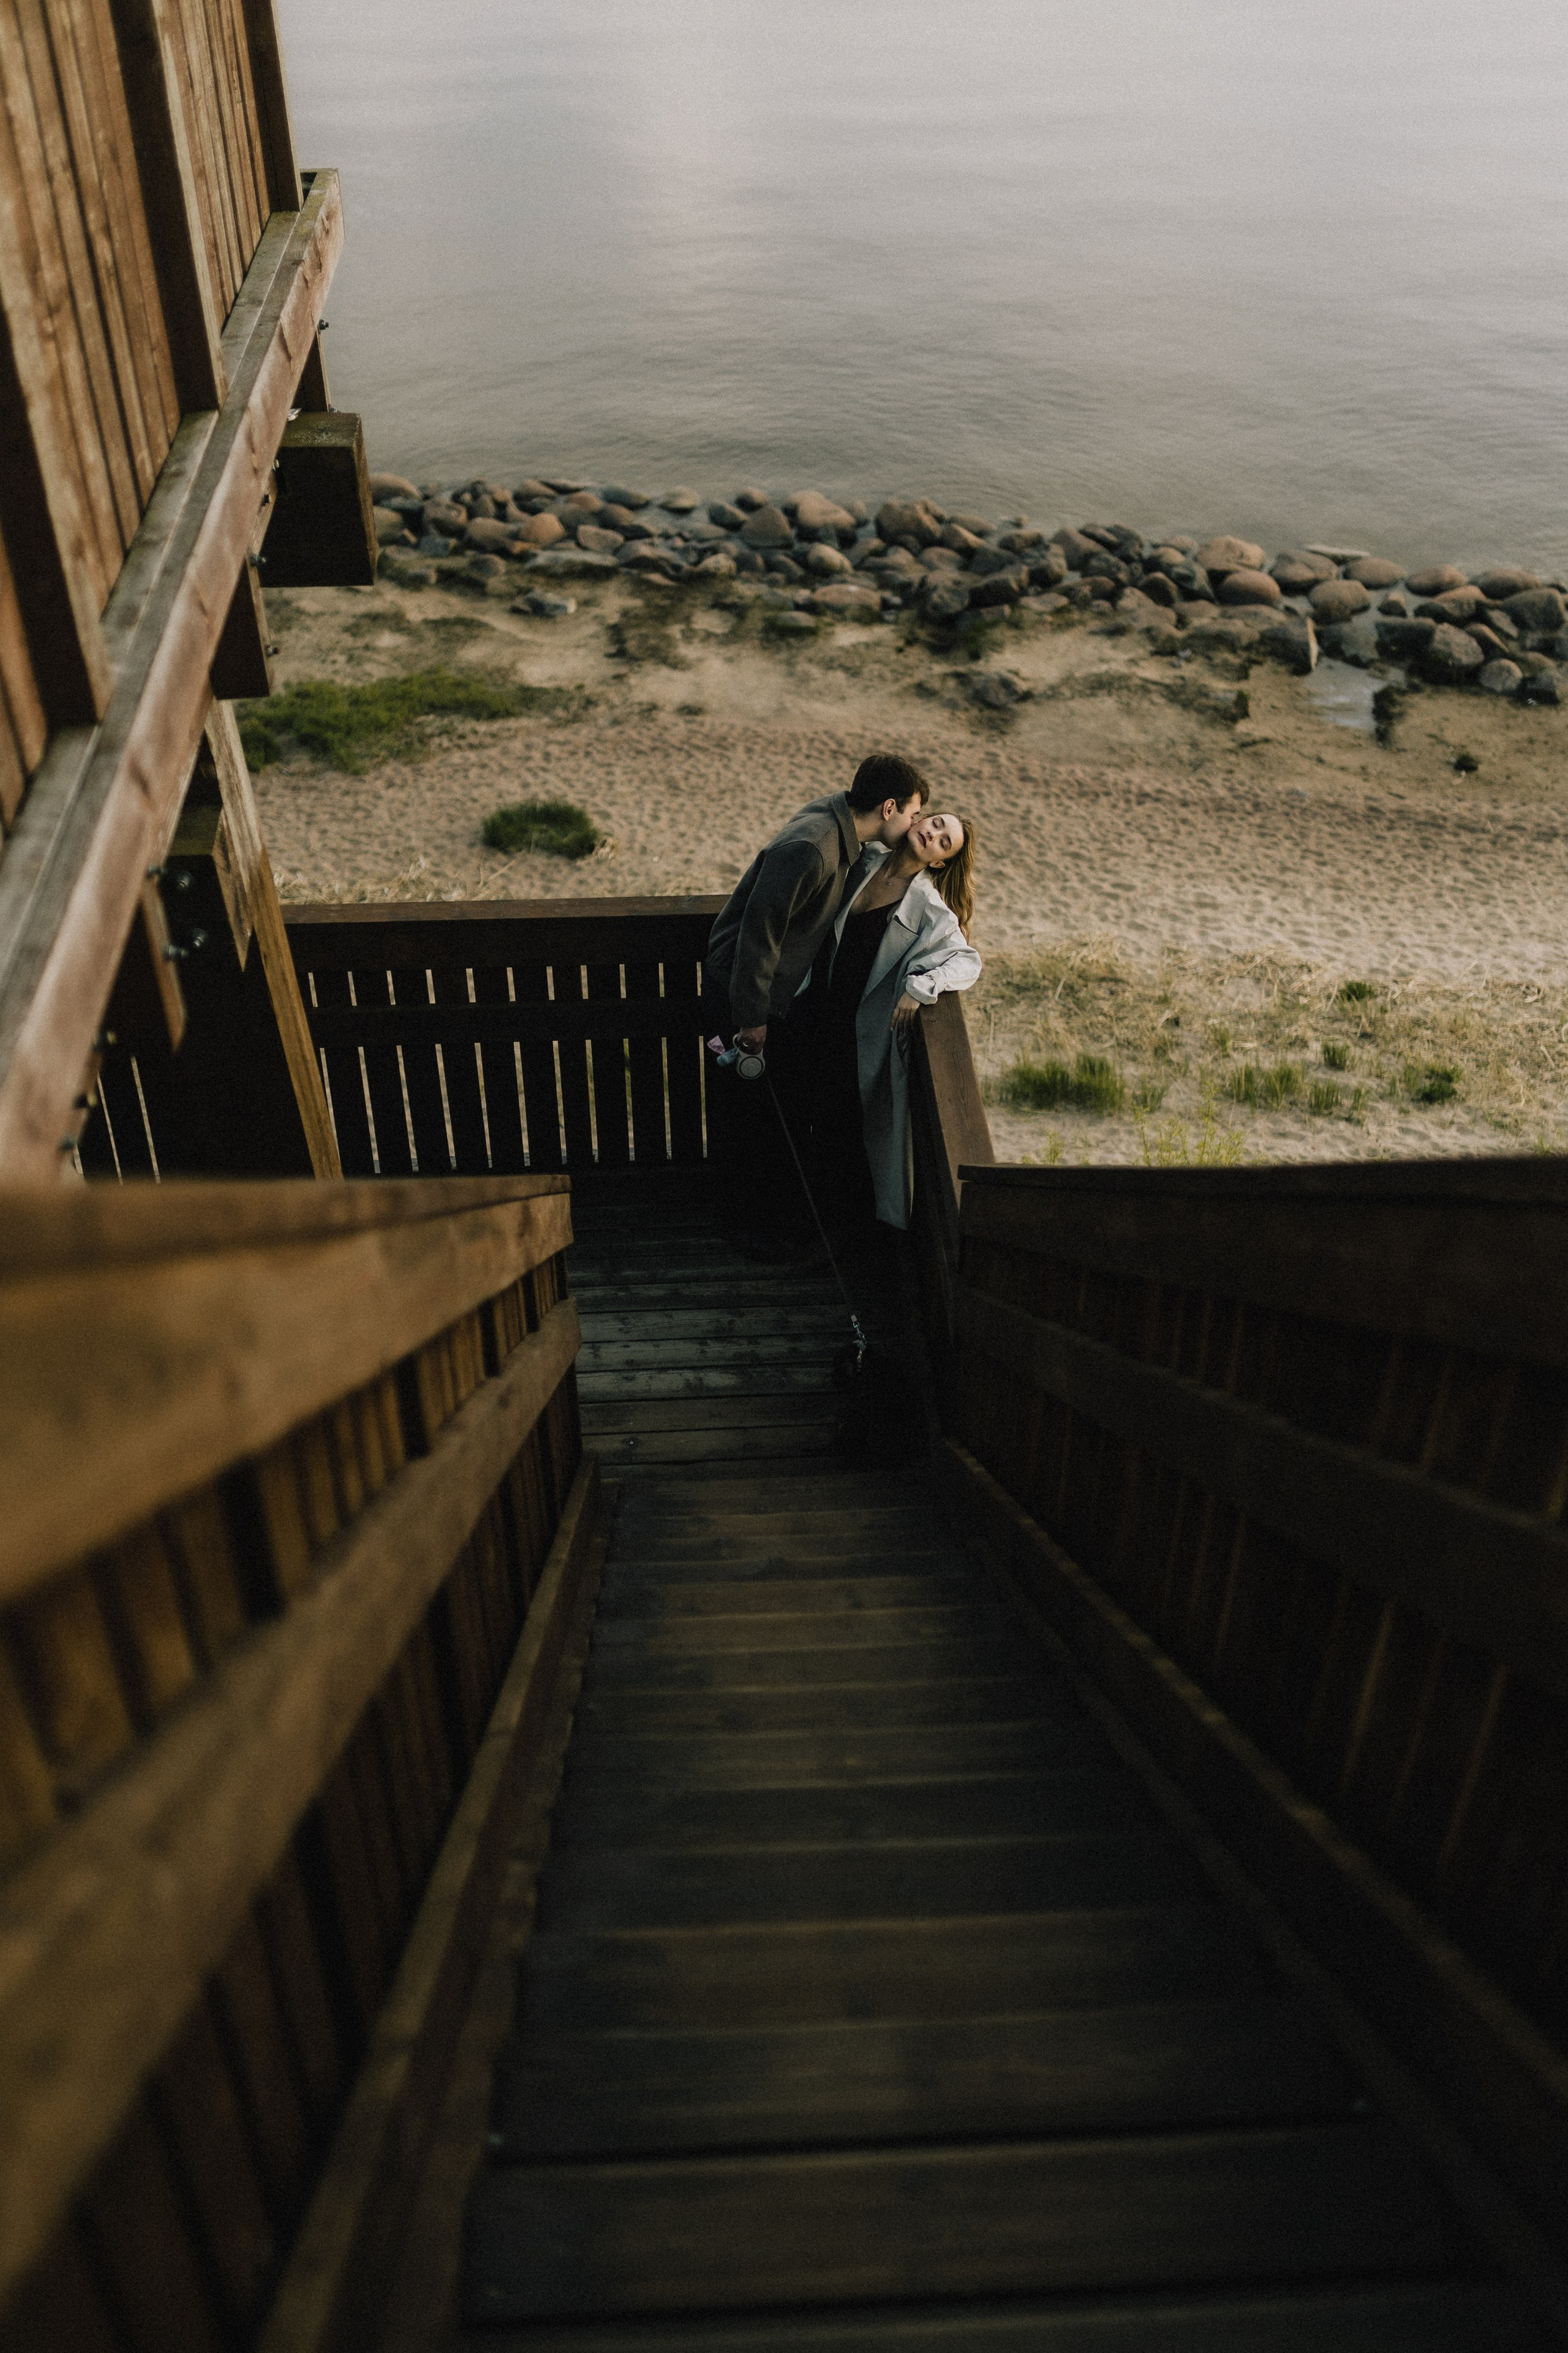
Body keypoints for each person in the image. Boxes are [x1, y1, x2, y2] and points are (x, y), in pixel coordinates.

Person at [704, 754, 930, 1252]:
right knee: (749, 1114)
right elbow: (758, 936)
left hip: (766, 994)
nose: (915, 826)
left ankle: (762, 1219)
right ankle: (744, 1229)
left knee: (768, 1108)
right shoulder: (815, 847)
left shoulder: (839, 825)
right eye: (913, 815)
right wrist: (752, 1019)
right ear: (889, 807)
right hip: (740, 994)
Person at [809, 808, 979, 1252]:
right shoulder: (865, 860)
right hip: (816, 1013)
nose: (934, 834)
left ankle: (838, 1244)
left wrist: (923, 986)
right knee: (809, 1121)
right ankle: (806, 1229)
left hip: (857, 1038)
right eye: (937, 823)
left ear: (940, 863)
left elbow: (966, 960)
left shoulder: (928, 906)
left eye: (945, 842)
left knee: (842, 1137)